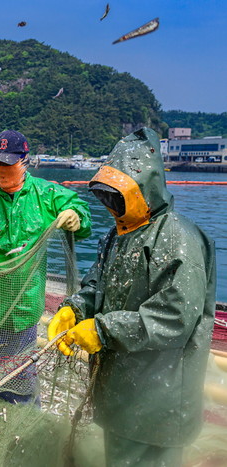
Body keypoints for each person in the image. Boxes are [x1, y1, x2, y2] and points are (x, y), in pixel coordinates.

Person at [48, 128, 215, 467]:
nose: (111, 206)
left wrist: (102, 330)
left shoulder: (178, 238)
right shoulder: (118, 234)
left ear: (144, 189)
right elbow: (97, 284)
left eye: (118, 196)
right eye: (106, 197)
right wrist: (74, 309)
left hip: (161, 397)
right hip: (122, 390)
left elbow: (176, 317)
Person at [0, 129, 91, 403]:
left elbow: (80, 209)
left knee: (21, 374)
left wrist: (76, 216)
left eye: (8, 164)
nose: (0, 170)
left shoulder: (45, 194)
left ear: (24, 161)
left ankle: (20, 419)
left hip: (24, 305)